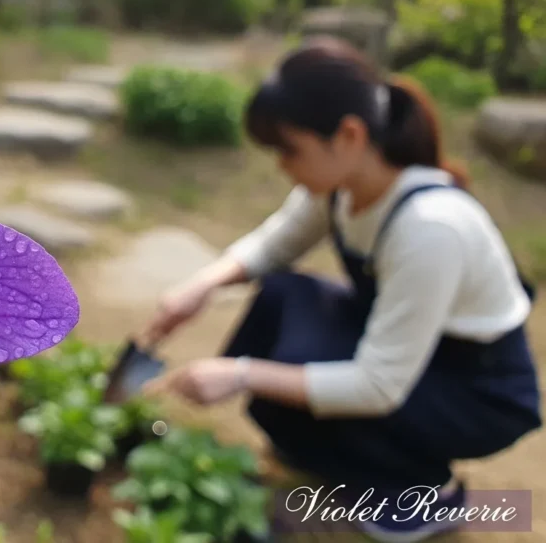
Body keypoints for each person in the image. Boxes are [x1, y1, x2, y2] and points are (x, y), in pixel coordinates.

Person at [140, 37, 542, 542]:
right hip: (411, 356)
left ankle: (423, 493)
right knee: (282, 297)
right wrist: (198, 288)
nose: (282, 165)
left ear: (349, 136)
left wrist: (241, 373)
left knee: (296, 365)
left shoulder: (431, 226)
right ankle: (330, 452)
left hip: (473, 391)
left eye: (289, 150)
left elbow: (378, 385)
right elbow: (274, 245)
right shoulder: (339, 187)